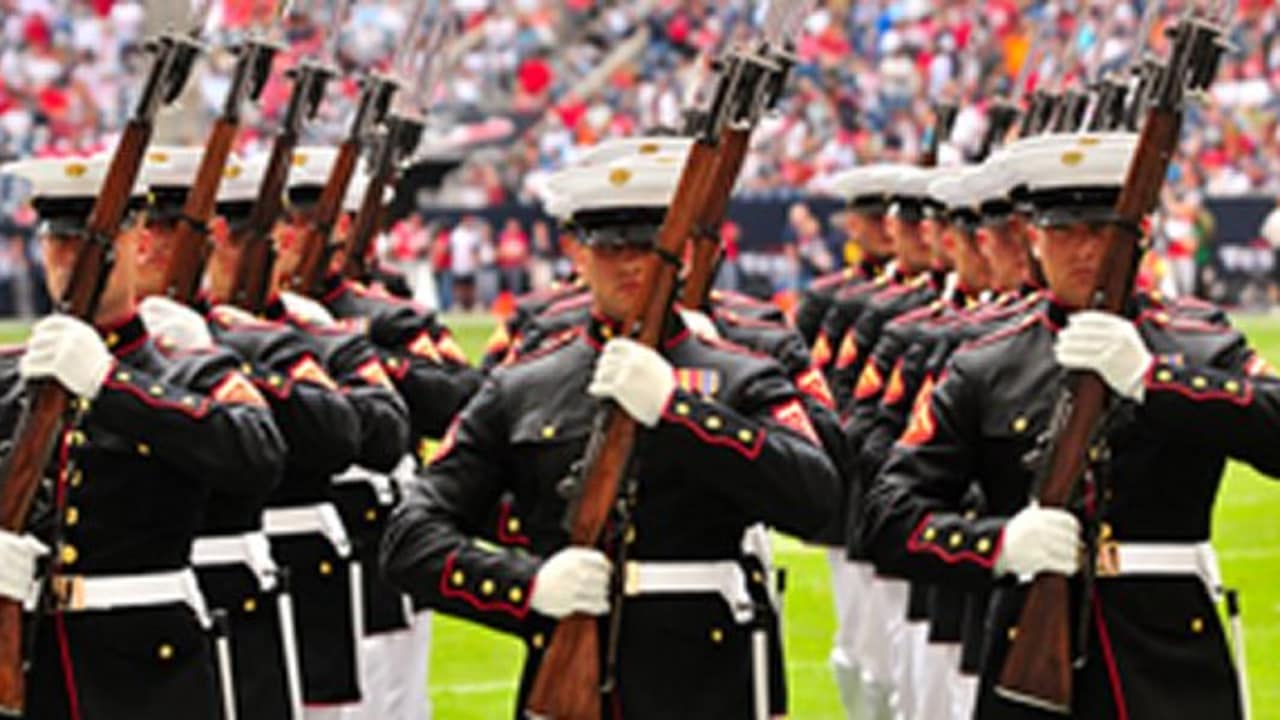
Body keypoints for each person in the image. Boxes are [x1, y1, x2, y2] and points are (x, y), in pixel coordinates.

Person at [382, 152, 840, 719]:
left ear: (686, 254)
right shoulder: (524, 385)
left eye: (650, 246)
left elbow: (818, 497)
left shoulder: (740, 375)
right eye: (610, 246)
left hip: (704, 679)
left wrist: (680, 411)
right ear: (576, 252)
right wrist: (526, 585)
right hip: (570, 673)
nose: (631, 265)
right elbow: (410, 538)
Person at [862, 132, 1279, 719]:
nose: (1086, 250)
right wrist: (998, 544)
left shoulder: (1197, 343)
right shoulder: (989, 362)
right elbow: (888, 512)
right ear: (1033, 238)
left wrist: (1154, 382)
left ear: (1142, 235)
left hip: (1170, 657)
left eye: (1104, 230)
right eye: (1064, 231)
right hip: (1029, 656)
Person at [0, 153, 287, 720]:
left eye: (89, 241)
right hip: (39, 666)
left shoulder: (187, 371)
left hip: (150, 672)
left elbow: (257, 455)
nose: (70, 258)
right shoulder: (12, 379)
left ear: (140, 246)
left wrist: (111, 386)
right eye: (57, 240)